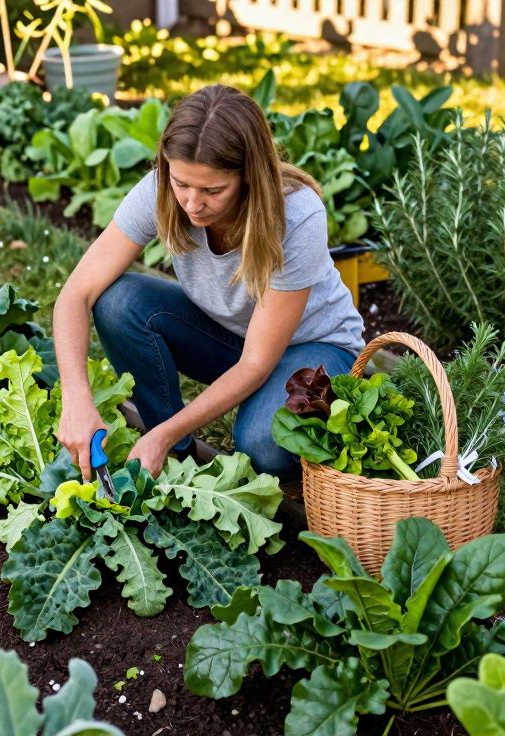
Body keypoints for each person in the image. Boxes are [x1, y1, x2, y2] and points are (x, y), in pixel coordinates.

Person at [52, 84, 366, 482]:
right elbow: (76, 294)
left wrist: (163, 434)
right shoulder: (162, 190)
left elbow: (257, 362)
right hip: (231, 338)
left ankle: (164, 438)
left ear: (249, 177)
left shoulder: (296, 215)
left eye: (213, 190)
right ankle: (173, 454)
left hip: (314, 348)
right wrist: (75, 395)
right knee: (118, 302)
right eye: (182, 184)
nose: (192, 203)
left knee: (262, 446)